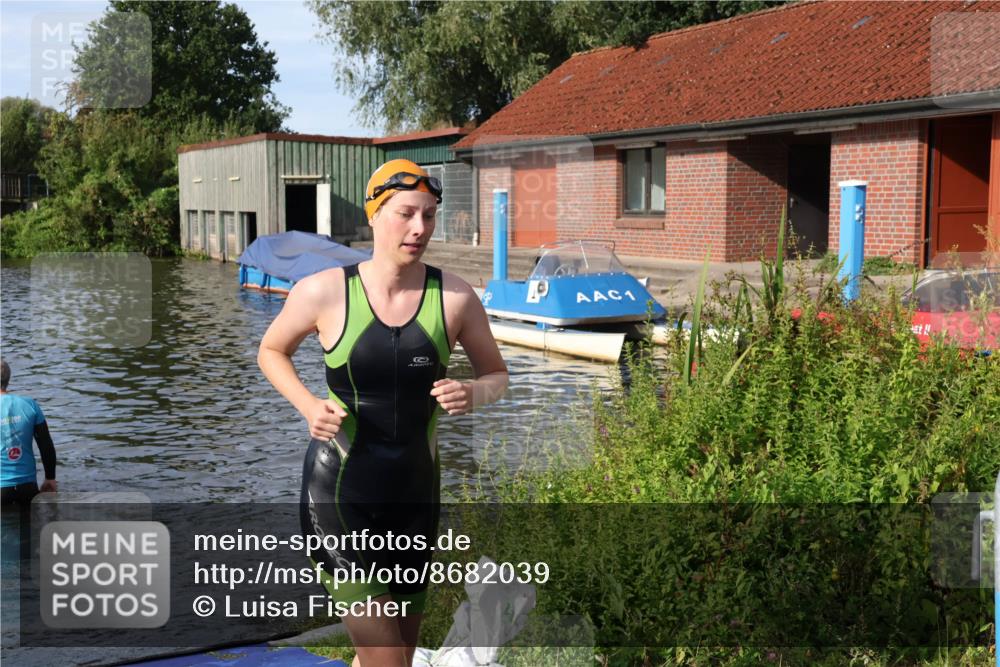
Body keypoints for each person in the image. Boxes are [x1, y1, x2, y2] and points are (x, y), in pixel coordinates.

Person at [258, 159, 509, 667]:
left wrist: (473, 393)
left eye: (429, 215)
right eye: (406, 214)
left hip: (415, 499)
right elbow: (271, 350)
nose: (420, 228)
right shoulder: (324, 291)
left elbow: (497, 375)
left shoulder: (455, 297)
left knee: (400, 655)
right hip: (340, 498)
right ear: (373, 214)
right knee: (387, 660)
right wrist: (308, 405)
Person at [1, 359, 57, 507]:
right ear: (8, 379)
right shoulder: (30, 404)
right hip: (28, 488)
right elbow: (45, 444)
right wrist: (50, 478)